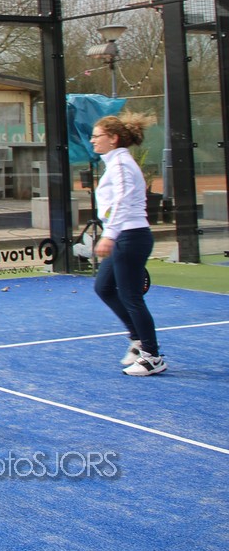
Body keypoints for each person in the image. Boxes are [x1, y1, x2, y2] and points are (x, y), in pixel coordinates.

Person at [91, 113, 166, 376]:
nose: (92, 141)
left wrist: (109, 235)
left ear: (113, 138)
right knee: (104, 287)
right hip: (124, 236)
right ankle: (138, 340)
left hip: (131, 236)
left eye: (97, 136)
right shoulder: (115, 163)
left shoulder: (121, 164)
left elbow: (122, 201)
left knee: (131, 297)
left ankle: (152, 357)